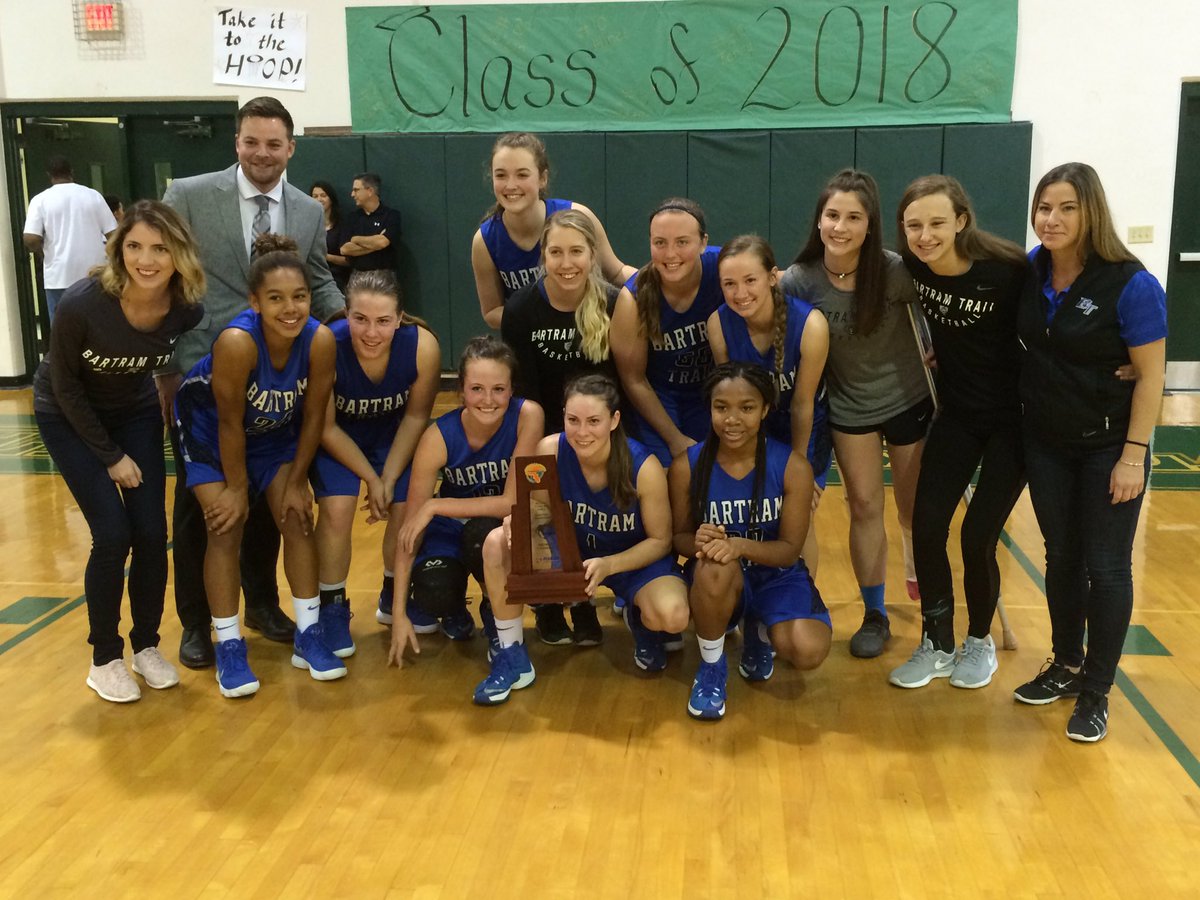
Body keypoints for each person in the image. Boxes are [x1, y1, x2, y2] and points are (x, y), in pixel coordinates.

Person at [162, 95, 345, 670]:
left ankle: (263, 604)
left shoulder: (308, 211)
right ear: (236, 143)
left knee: (274, 508)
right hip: (205, 367)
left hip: (277, 370)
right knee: (207, 513)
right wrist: (163, 363)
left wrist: (358, 322)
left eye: (273, 144)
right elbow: (161, 274)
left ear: (290, 148)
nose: (262, 153)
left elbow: (317, 281)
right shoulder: (188, 195)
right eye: (251, 142)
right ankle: (199, 625)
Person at [1011, 162, 1166, 743]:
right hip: (1048, 443)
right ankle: (1066, 665)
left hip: (1109, 448)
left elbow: (1151, 377)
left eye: (1066, 208)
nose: (1051, 219)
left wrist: (1133, 455)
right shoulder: (1031, 270)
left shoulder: (1131, 284)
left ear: (1091, 212)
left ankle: (1097, 688)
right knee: (1061, 557)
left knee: (1106, 565)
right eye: (1044, 207)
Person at [33, 201, 205, 703]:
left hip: (134, 412)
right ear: (118, 249)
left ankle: (146, 646)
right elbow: (65, 387)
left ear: (178, 254)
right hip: (66, 415)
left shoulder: (185, 307)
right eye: (134, 246)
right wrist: (110, 456)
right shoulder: (83, 303)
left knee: (151, 532)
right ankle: (104, 658)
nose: (145, 260)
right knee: (112, 534)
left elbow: (173, 359)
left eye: (159, 249)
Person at [175, 234, 339, 698]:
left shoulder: (320, 340)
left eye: (300, 297)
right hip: (210, 432)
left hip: (272, 433)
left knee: (297, 517)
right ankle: (229, 645)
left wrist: (298, 481)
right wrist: (236, 489)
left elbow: (314, 416)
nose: (290, 308)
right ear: (254, 302)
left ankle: (309, 635)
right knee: (226, 527)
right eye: (276, 299)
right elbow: (229, 423)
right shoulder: (237, 343)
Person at [780, 169, 931, 659]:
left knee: (912, 509)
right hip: (849, 407)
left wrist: (942, 351)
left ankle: (925, 582)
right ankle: (875, 614)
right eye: (832, 215)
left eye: (853, 218)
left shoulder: (895, 272)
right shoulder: (799, 280)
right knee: (864, 506)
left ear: (870, 225)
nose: (840, 227)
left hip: (908, 400)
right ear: (818, 220)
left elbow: (941, 311)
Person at [887, 175, 1029, 691]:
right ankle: (937, 643)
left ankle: (978, 642)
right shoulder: (913, 270)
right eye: (914, 226)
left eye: (937, 224)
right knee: (926, 526)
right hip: (958, 417)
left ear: (961, 221)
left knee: (977, 536)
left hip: (1014, 423)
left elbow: (1055, 328)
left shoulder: (1008, 271)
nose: (925, 236)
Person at [472, 373, 689, 704]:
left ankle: (640, 617)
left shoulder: (644, 467)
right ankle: (511, 653)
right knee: (495, 542)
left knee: (672, 616)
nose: (582, 432)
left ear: (614, 420)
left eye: (593, 421)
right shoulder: (549, 450)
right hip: (575, 555)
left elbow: (661, 541)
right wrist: (521, 521)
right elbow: (541, 514)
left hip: (631, 560)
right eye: (573, 420)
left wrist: (609, 565)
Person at [669, 363, 831, 721]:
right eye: (721, 407)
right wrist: (698, 541)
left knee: (807, 650)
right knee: (714, 566)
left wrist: (739, 544)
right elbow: (678, 538)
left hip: (776, 573)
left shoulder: (792, 467)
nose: (732, 419)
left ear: (765, 409)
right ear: (709, 408)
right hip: (721, 578)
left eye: (746, 407)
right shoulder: (686, 466)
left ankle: (758, 628)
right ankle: (712, 667)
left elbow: (790, 550)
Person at [500, 207, 624, 645]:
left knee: (591, 518)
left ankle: (586, 598)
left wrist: (607, 437)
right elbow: (525, 394)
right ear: (543, 256)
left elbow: (625, 379)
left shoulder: (614, 303)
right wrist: (540, 452)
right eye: (556, 252)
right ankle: (549, 601)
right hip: (549, 432)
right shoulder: (521, 309)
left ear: (593, 255)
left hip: (603, 432)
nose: (566, 263)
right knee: (546, 516)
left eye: (576, 252)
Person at [387, 336, 544, 666]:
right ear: (461, 390)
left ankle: (493, 609)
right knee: (435, 590)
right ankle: (453, 607)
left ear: (512, 390)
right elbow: (409, 531)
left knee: (482, 535)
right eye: (476, 389)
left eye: (498, 389)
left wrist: (434, 505)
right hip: (450, 527)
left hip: (495, 525)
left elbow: (511, 502)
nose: (487, 400)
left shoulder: (527, 416)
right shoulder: (437, 438)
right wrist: (398, 613)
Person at [310, 269, 439, 657]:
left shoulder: (422, 346)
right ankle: (332, 607)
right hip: (338, 440)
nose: (371, 332)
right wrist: (371, 478)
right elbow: (325, 427)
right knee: (337, 508)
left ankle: (392, 592)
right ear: (346, 313)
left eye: (383, 321)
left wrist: (389, 477)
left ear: (399, 319)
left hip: (392, 438)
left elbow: (416, 417)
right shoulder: (326, 345)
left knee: (407, 505)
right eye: (360, 319)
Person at [707, 234, 831, 574]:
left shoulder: (810, 325)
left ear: (773, 277)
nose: (740, 293)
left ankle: (804, 597)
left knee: (800, 516)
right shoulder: (719, 324)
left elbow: (803, 404)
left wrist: (800, 469)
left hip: (804, 430)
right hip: (752, 431)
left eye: (750, 280)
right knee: (751, 511)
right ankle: (750, 593)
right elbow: (727, 399)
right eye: (729, 284)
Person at [471, 131, 634, 329]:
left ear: (543, 178)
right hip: (531, 341)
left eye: (522, 175)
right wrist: (547, 319)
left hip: (589, 331)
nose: (511, 185)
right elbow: (491, 312)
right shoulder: (485, 240)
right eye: (501, 175)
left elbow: (617, 273)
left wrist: (654, 285)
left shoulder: (577, 216)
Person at [610, 198, 723, 467]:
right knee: (662, 473)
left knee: (716, 469)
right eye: (660, 242)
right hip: (658, 398)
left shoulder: (724, 267)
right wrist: (674, 439)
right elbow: (634, 380)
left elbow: (768, 282)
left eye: (682, 242)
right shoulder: (632, 299)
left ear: (703, 242)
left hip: (711, 392)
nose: (670, 254)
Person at [22, 155, 117, 318]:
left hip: (58, 276)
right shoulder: (93, 196)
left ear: (49, 174)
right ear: (72, 172)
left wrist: (42, 252)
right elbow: (114, 234)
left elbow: (31, 238)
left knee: (63, 325)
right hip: (95, 275)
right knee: (98, 322)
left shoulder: (40, 200)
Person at [340, 172, 402, 277]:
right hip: (357, 276)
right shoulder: (352, 218)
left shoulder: (391, 215)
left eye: (356, 190)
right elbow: (344, 249)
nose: (352, 194)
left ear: (370, 191)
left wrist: (356, 239)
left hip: (384, 276)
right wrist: (374, 245)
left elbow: (382, 242)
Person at [311, 180, 351, 293]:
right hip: (312, 277)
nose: (319, 199)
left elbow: (348, 261)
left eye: (323, 195)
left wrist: (324, 256)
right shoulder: (308, 224)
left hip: (337, 279)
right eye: (315, 196)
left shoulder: (342, 225)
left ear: (331, 199)